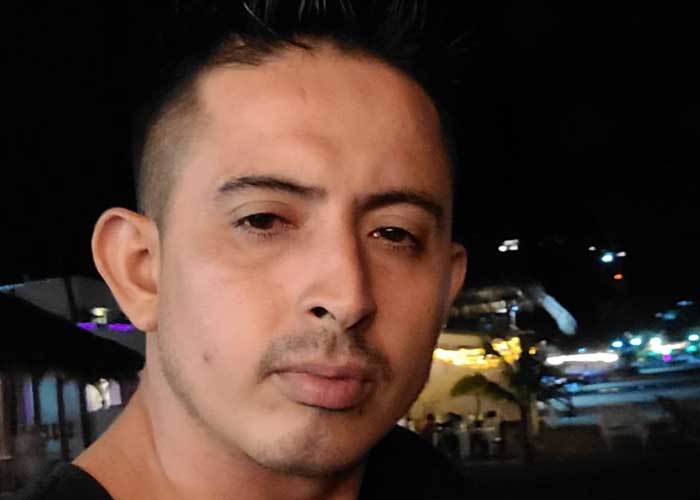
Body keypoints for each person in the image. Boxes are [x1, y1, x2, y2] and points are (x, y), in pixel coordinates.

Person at [16, 1, 468, 498]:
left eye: (395, 234)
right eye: (262, 221)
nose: (348, 298)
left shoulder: (429, 481)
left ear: (447, 287)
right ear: (140, 270)